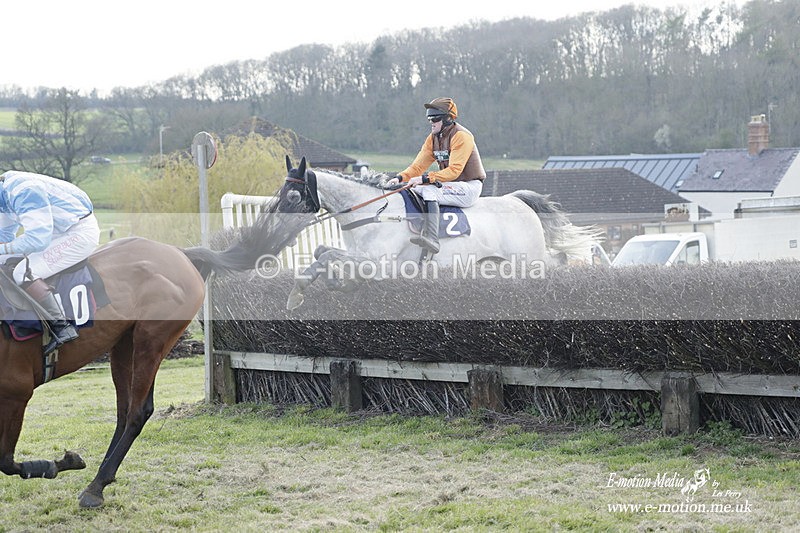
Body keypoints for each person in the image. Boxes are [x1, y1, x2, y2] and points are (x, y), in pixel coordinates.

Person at [0, 170, 100, 355]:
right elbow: (5, 236)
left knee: (23, 272)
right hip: (56, 231)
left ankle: (61, 326)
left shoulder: (23, 192)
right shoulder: (4, 192)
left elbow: (38, 240)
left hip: (78, 233)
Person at [386, 97, 485, 254]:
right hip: (449, 185)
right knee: (411, 189)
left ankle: (432, 238)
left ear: (448, 119)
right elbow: (417, 167)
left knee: (428, 190)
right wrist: (399, 178)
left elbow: (454, 171)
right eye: (429, 117)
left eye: (435, 118)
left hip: (469, 187)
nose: (431, 121)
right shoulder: (432, 139)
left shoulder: (461, 136)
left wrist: (425, 179)